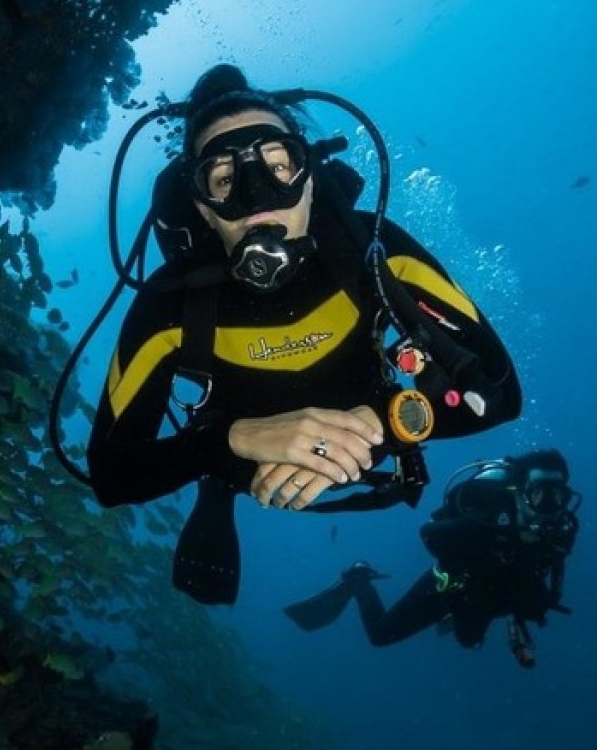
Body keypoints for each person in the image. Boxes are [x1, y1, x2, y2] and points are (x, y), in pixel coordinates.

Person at [84, 64, 522, 604]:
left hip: (377, 428)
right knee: (215, 467)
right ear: (201, 205)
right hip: (239, 459)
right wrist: (229, 441)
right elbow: (111, 474)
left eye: (278, 165)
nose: (255, 196)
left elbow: (501, 391)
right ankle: (216, 487)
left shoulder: (377, 251)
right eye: (223, 179)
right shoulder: (169, 304)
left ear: (310, 175)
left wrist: (384, 423)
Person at [285, 450, 580, 667]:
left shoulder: (561, 531)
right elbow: (430, 533)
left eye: (559, 497)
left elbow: (551, 572)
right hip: (452, 586)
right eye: (541, 494)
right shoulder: (489, 517)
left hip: (496, 593)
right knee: (381, 635)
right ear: (520, 493)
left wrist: (535, 603)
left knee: (468, 641)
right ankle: (358, 580)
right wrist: (459, 575)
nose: (550, 507)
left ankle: (466, 617)